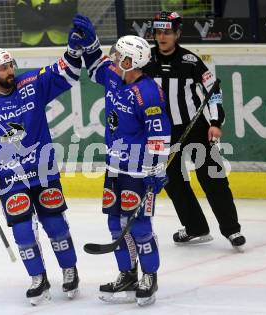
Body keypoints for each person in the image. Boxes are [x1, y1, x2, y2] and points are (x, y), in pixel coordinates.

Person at [0, 29, 84, 305]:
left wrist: (74, 51)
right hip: (9, 178)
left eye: (10, 65)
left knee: (55, 225)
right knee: (22, 232)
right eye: (3, 67)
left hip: (42, 171)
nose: (10, 70)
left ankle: (69, 269)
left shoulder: (32, 83)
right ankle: (38, 278)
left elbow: (65, 73)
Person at [71, 15, 171, 306]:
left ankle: (149, 277)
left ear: (131, 62)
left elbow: (159, 133)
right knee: (116, 224)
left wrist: (157, 168)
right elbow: (94, 65)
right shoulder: (116, 75)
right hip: (114, 167)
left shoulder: (147, 92)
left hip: (139, 171)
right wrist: (88, 40)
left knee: (139, 226)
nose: (113, 59)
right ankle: (127, 274)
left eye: (119, 56)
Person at [142, 11, 246, 250]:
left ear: (177, 33)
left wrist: (215, 123)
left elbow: (213, 91)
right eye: (158, 32)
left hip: (195, 128)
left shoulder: (191, 61)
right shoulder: (146, 61)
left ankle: (233, 230)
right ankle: (195, 228)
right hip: (162, 132)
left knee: (212, 177)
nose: (162, 36)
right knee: (173, 181)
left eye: (167, 32)